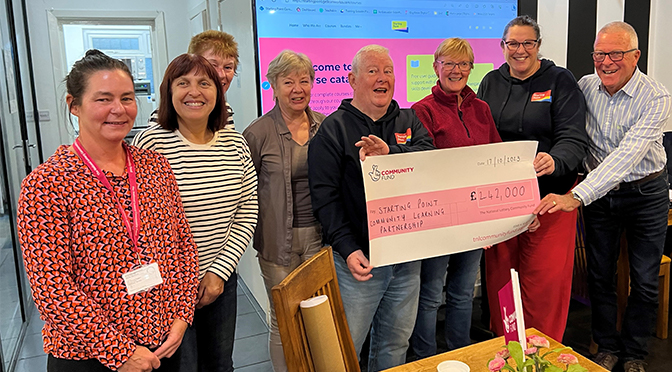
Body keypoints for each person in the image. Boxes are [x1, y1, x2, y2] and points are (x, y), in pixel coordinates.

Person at [17, 49, 199, 372]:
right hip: (90, 357)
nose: (119, 109)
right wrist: (120, 351)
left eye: (127, 98)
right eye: (104, 99)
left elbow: (184, 246)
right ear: (74, 105)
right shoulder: (47, 184)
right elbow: (52, 289)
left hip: (164, 345)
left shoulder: (154, 167)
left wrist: (183, 315)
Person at [535, 21, 671, 372]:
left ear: (636, 56)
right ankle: (607, 346)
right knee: (599, 274)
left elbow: (627, 156)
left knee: (643, 277)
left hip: (645, 194)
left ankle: (636, 352)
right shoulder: (585, 87)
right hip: (599, 197)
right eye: (599, 54)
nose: (605, 61)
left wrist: (578, 195)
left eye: (615, 54)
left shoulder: (655, 96)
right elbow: (571, 136)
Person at [308, 45, 435, 372]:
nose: (383, 78)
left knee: (396, 343)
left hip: (406, 261)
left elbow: (430, 162)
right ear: (351, 79)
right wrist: (348, 249)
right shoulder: (333, 129)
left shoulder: (410, 119)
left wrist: (391, 154)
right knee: (349, 345)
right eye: (373, 71)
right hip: (359, 264)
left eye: (388, 71)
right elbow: (325, 198)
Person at [133, 54, 258, 372]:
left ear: (217, 92)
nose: (195, 91)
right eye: (183, 83)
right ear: (169, 92)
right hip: (168, 289)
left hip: (220, 281)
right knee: (179, 366)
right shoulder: (150, 144)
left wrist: (219, 272)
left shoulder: (235, 144)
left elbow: (247, 210)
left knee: (219, 364)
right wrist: (179, 283)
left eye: (204, 83)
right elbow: (140, 223)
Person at [477, 15, 588, 341]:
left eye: (528, 43)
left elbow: (573, 138)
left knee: (543, 284)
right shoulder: (490, 82)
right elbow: (482, 135)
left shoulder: (559, 81)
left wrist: (555, 160)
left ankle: (543, 352)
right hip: (501, 203)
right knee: (501, 283)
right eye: (513, 43)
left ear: (538, 46)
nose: (520, 50)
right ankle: (507, 350)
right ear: (502, 47)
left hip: (549, 200)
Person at [409, 38, 502, 356]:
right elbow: (423, 166)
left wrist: (491, 218)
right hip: (439, 221)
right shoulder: (422, 110)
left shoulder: (482, 109)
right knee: (431, 293)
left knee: (463, 292)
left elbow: (496, 162)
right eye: (448, 63)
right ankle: (424, 357)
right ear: (435, 67)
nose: (456, 70)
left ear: (471, 69)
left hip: (475, 219)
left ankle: (460, 353)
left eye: (463, 64)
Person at [242, 50, 325, 372]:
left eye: (304, 80)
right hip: (278, 241)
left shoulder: (325, 125)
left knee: (317, 312)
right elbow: (245, 193)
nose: (297, 88)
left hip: (320, 240)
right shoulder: (258, 132)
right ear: (273, 86)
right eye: (287, 81)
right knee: (283, 318)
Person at [150, 30, 238, 130]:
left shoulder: (226, 111)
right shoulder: (161, 119)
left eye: (228, 67)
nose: (221, 75)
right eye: (213, 66)